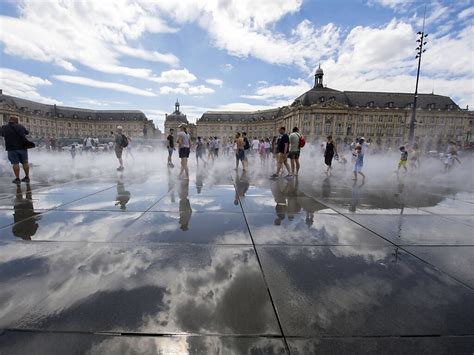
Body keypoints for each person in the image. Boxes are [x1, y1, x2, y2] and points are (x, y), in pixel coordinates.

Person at [0, 115, 31, 184]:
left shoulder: (4, 127)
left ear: (9, 120)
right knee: (25, 162)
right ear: (16, 121)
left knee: (15, 163)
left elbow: (1, 134)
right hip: (23, 147)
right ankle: (27, 177)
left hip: (11, 148)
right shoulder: (21, 126)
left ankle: (17, 178)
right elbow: (27, 132)